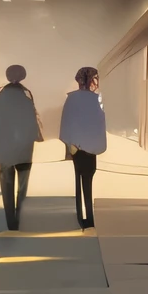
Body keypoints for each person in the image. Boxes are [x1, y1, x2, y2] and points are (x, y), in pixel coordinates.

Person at [0, 64, 41, 231]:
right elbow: (32, 120)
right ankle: (21, 218)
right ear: (23, 76)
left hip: (5, 149)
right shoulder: (26, 94)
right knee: (22, 187)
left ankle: (11, 223)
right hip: (24, 149)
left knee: (7, 187)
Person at [60, 67, 109, 229]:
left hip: (76, 147)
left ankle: (81, 216)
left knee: (79, 179)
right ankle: (89, 217)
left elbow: (66, 122)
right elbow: (100, 122)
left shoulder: (71, 99)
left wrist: (70, 143)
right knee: (88, 179)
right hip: (91, 147)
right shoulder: (96, 99)